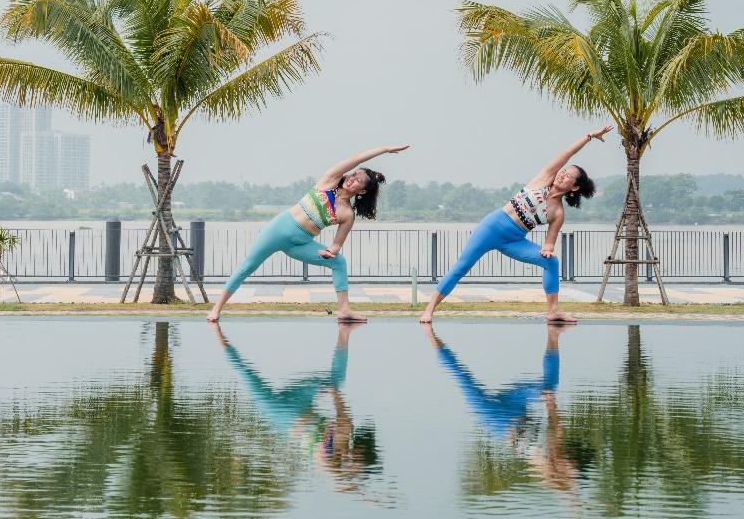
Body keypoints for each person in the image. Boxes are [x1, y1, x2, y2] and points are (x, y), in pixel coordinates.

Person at [418, 127, 608, 325]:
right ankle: (429, 309)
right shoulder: (544, 178)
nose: (563, 175)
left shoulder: (558, 213)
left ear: (575, 187)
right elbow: (567, 154)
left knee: (552, 262)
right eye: (564, 171)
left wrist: (547, 250)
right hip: (491, 228)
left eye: (569, 176)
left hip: (514, 240)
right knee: (462, 266)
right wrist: (589, 137)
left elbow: (549, 244)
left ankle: (553, 311)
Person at [207, 144, 409, 323]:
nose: (352, 179)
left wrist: (331, 251)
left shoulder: (347, 213)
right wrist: (384, 149)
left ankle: (344, 310)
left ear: (362, 192)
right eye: (354, 175)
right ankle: (217, 309)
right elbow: (356, 159)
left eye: (358, 181)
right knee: (247, 267)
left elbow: (337, 245)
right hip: (279, 229)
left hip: (300, 243)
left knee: (339, 262)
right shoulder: (330, 181)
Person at [212, 324, 382, 494]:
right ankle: (344, 332)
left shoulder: (333, 462)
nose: (349, 461)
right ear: (359, 450)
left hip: (280, 416)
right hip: (294, 408)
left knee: (245, 373)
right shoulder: (345, 434)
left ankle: (216, 332)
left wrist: (343, 478)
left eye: (352, 466)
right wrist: (332, 389)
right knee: (335, 380)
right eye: (355, 461)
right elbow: (337, 400)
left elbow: (331, 474)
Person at [424, 325, 580, 496]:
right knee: (549, 387)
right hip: (518, 408)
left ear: (560, 472)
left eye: (571, 470)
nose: (573, 466)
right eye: (574, 466)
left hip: (497, 420)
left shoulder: (547, 466)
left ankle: (430, 335)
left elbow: (560, 484)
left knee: (462, 376)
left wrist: (572, 496)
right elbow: (553, 413)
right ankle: (553, 335)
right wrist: (550, 400)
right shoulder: (557, 441)